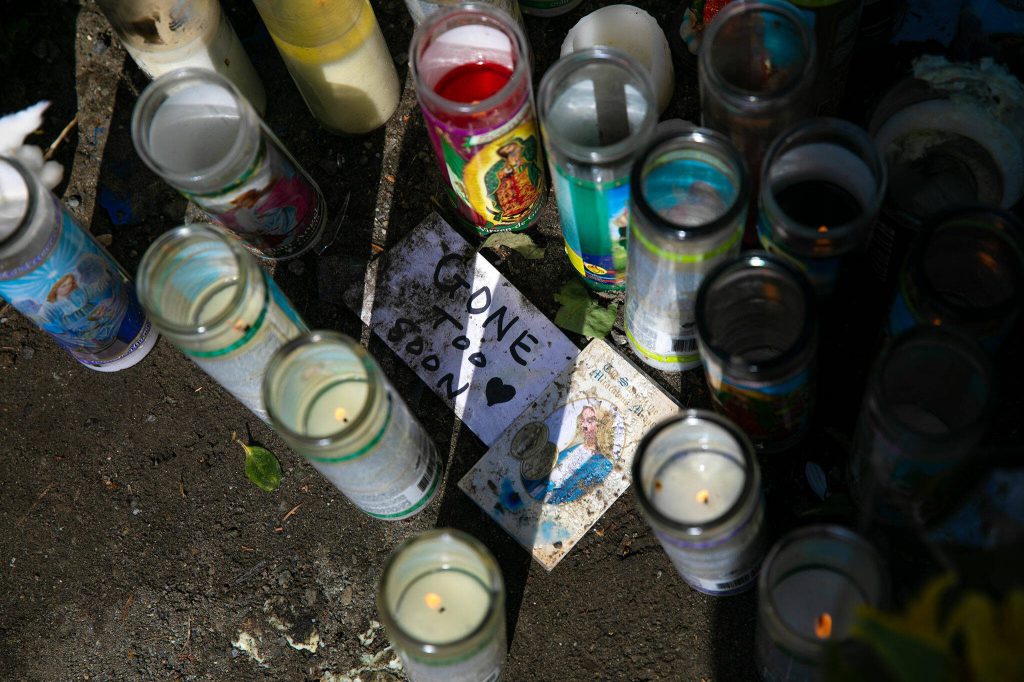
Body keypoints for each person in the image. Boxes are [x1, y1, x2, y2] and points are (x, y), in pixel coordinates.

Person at [521, 405, 614, 505]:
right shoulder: (576, 446)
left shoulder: (603, 465)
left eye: (590, 421)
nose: (584, 425)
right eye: (583, 420)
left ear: (602, 427)